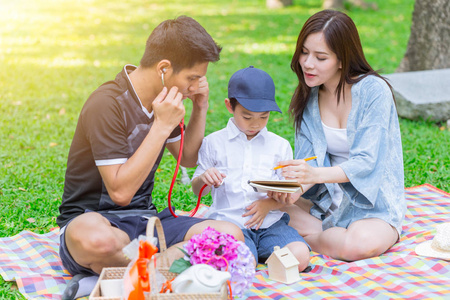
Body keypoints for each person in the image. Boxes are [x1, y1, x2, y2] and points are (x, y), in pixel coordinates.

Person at [57, 16, 244, 299]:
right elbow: (120, 192)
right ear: (164, 69)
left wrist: (201, 106)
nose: (194, 87)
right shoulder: (106, 104)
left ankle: (118, 280)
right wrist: (160, 126)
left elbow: (189, 158)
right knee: (100, 241)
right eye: (191, 79)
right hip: (94, 220)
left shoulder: (165, 101)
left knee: (229, 235)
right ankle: (167, 274)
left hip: (146, 222)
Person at [270, 10, 407, 262]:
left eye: (320, 57)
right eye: (304, 52)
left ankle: (307, 238)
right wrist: (292, 189)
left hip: (372, 203)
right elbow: (308, 161)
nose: (308, 63)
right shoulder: (309, 97)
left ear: (342, 59)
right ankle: (321, 232)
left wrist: (313, 175)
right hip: (323, 203)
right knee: (259, 206)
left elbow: (367, 162)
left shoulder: (373, 91)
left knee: (359, 245)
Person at [191, 66, 310, 271]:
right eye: (247, 117)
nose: (256, 124)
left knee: (300, 255)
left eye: (264, 117)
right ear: (230, 106)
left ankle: (263, 259)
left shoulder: (279, 145)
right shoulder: (213, 143)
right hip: (231, 224)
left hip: (271, 225)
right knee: (240, 261)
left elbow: (288, 192)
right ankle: (255, 260)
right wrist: (204, 179)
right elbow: (196, 189)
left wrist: (271, 201)